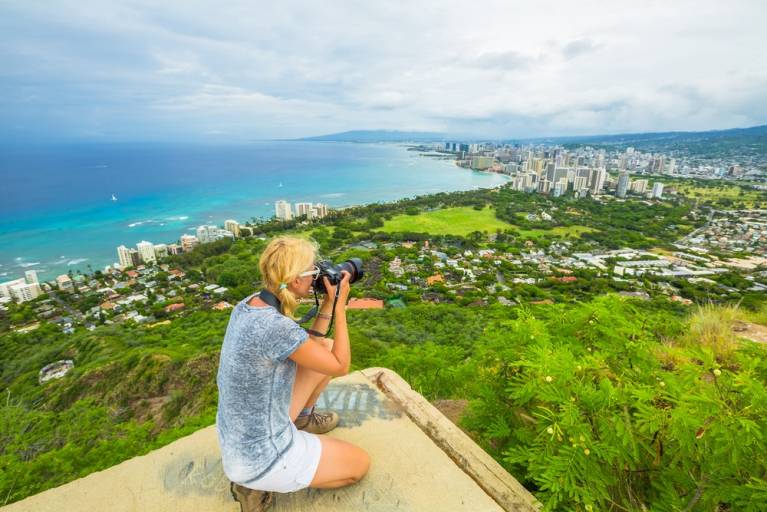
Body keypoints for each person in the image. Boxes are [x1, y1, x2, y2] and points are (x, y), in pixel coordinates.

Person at [216, 236, 370, 512]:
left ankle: (300, 421)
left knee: (324, 346)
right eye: (313, 272)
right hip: (259, 457)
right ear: (295, 279)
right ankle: (257, 486)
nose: (317, 278)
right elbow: (340, 365)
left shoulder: (249, 306)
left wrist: (328, 304)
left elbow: (311, 346)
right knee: (358, 465)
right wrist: (341, 305)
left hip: (237, 439)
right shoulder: (274, 327)